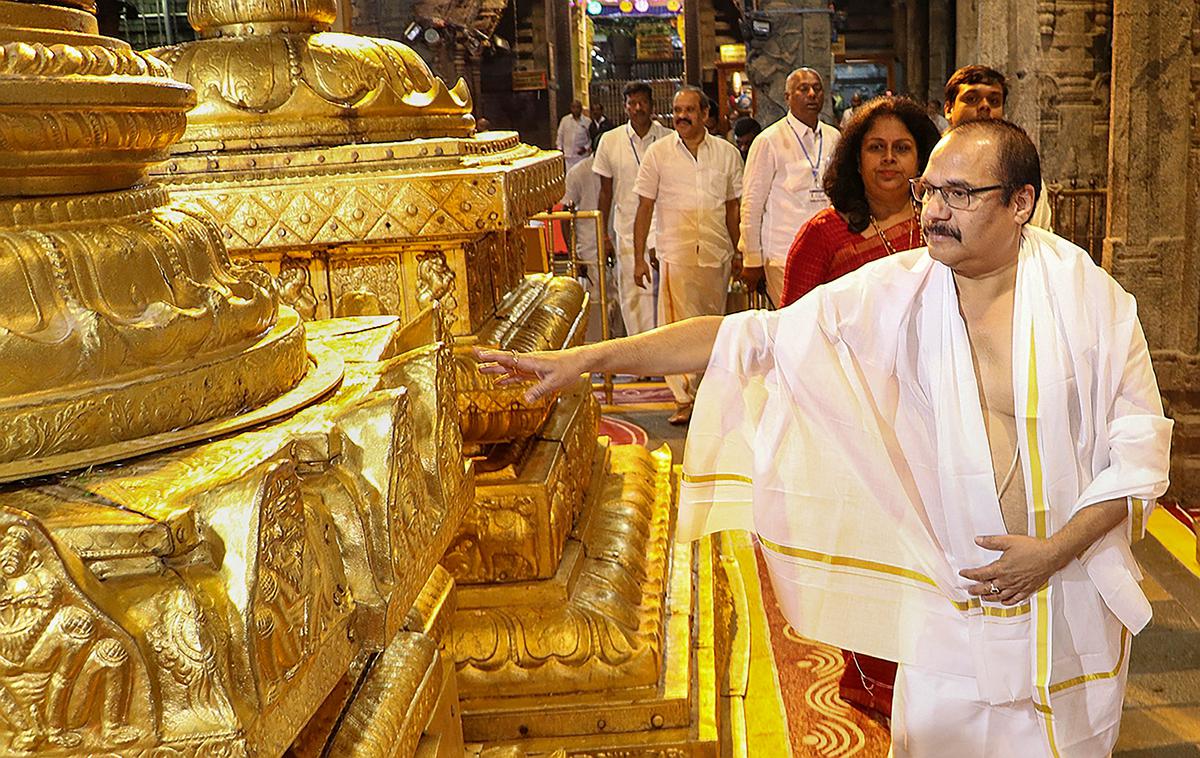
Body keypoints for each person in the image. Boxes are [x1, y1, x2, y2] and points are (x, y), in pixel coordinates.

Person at [476, 118, 1172, 757]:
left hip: (1068, 601)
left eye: (959, 195)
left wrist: (1054, 553)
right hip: (950, 614)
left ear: (1020, 202)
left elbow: (1139, 453)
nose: (932, 210)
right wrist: (587, 360)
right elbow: (750, 338)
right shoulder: (895, 293)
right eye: (930, 192)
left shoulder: (1092, 301)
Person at [631, 86, 743, 425]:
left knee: (713, 326)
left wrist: (741, 252)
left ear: (705, 114)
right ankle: (683, 398)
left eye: (689, 110)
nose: (682, 116)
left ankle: (710, 396)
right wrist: (638, 258)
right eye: (678, 110)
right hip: (676, 254)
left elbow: (733, 208)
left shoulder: (726, 153)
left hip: (716, 253)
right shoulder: (659, 153)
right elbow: (644, 207)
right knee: (678, 328)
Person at [779, 97, 942, 307]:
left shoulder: (938, 220)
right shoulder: (821, 235)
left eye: (902, 148)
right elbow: (793, 325)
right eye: (876, 147)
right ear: (857, 159)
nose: (889, 157)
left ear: (921, 160)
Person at [739, 68, 842, 305]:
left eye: (817, 88)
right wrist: (752, 258)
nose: (812, 94)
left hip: (827, 254)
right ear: (787, 97)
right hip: (782, 254)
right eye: (803, 89)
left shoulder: (834, 137)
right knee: (793, 328)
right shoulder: (769, 141)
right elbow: (752, 205)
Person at [593, 82, 672, 336]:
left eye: (643, 103)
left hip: (665, 226)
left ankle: (664, 354)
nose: (638, 108)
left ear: (652, 105)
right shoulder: (610, 140)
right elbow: (605, 191)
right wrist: (603, 234)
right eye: (632, 103)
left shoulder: (669, 139)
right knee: (632, 293)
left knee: (666, 292)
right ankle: (643, 359)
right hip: (626, 227)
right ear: (625, 106)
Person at [944, 65, 1052, 228]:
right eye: (972, 99)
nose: (984, 106)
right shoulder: (932, 164)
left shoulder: (1020, 171)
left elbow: (1036, 232)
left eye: (994, 101)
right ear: (948, 109)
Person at [556, 99, 592, 171]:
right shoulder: (565, 120)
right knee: (569, 177)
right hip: (568, 156)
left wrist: (585, 148)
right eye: (573, 107)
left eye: (577, 107)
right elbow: (560, 135)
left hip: (582, 156)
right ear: (570, 108)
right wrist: (559, 149)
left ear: (581, 109)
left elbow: (591, 138)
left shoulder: (587, 121)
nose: (575, 110)